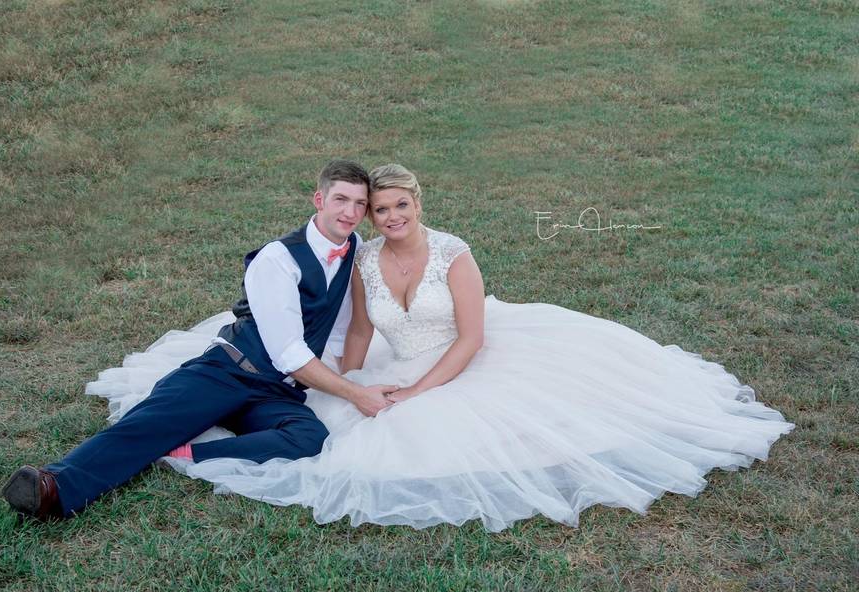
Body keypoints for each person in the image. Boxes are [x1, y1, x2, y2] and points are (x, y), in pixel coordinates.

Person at [86, 164, 796, 532]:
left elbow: (474, 335)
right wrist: (346, 375)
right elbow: (360, 330)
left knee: (451, 428)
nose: (387, 218)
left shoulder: (453, 253)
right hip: (386, 362)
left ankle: (187, 444)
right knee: (334, 422)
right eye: (376, 209)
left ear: (418, 206)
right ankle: (150, 450)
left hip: (463, 357)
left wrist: (422, 392)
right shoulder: (360, 259)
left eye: (397, 207)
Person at [0, 159, 401, 520]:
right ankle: (54, 485)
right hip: (229, 370)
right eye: (340, 200)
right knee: (147, 422)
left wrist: (348, 377)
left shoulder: (355, 251)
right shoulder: (277, 260)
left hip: (276, 391)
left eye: (359, 204)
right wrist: (353, 392)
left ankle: (186, 453)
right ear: (319, 199)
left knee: (310, 437)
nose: (350, 212)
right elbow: (290, 353)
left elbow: (344, 326)